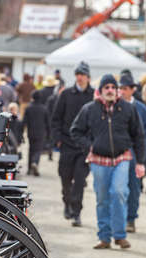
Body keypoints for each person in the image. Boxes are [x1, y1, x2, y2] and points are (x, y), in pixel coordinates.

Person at [71, 74, 146, 249]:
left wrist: (141, 161)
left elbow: (139, 135)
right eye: (107, 87)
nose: (110, 90)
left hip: (122, 157)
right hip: (98, 159)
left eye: (113, 87)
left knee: (119, 193)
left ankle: (120, 235)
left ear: (117, 90)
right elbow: (76, 131)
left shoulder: (127, 108)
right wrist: (90, 146)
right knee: (102, 198)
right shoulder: (89, 109)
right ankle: (104, 237)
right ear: (101, 90)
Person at [51, 62, 94, 226]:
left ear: (88, 77)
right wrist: (57, 139)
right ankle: (67, 202)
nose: (80, 77)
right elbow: (55, 118)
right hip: (67, 143)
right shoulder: (66, 94)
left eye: (83, 74)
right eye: (78, 74)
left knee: (80, 179)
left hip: (85, 146)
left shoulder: (93, 95)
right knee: (65, 177)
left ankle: (76, 212)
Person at [119, 75, 146, 233]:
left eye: (124, 89)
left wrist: (143, 153)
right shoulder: (114, 107)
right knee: (117, 190)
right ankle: (118, 219)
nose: (121, 91)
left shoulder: (141, 109)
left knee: (133, 188)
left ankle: (131, 219)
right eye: (119, 88)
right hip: (117, 155)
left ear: (132, 90)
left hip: (134, 156)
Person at [22, 90, 50, 176]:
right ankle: (35, 162)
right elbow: (48, 123)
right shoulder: (44, 108)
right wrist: (49, 134)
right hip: (41, 132)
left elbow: (24, 121)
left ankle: (29, 169)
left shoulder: (28, 108)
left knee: (31, 149)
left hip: (31, 132)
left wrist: (21, 133)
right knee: (38, 150)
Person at [39, 75, 59, 160]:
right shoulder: (55, 94)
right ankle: (50, 153)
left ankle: (42, 149)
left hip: (43, 115)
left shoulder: (41, 91)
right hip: (52, 116)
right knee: (51, 134)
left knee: (43, 133)